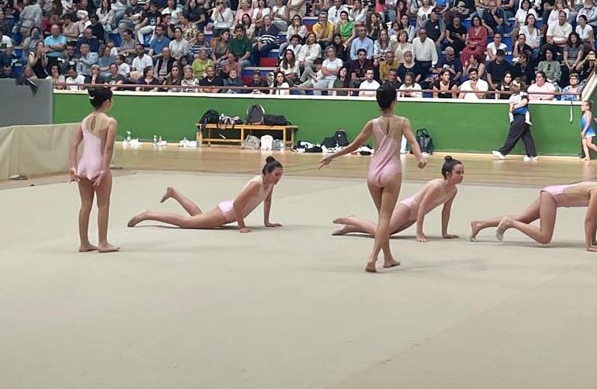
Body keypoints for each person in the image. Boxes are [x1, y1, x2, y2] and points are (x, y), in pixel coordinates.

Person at [318, 84, 428, 272]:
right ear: (395, 101)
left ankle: (388, 257)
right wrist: (419, 157)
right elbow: (412, 141)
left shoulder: (373, 123)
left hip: (373, 173)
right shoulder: (402, 122)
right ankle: (372, 258)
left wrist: (332, 156)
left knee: (382, 218)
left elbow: (355, 144)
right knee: (385, 218)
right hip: (391, 172)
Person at [469, 166, 597, 251]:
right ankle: (510, 223)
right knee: (544, 237)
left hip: (551, 192)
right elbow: (589, 218)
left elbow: (595, 217)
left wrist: (593, 240)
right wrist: (588, 245)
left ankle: (479, 224)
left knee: (524, 219)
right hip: (551, 197)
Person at [127, 158, 284, 233]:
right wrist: (241, 226)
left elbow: (267, 200)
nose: (279, 178)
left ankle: (174, 193)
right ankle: (147, 214)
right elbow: (237, 205)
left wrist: (267, 222)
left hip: (228, 212)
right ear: (267, 172)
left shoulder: (269, 184)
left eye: (280, 175)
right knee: (186, 223)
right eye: (276, 175)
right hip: (227, 212)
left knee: (198, 218)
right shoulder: (256, 183)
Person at [331, 156, 464, 242]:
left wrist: (444, 233)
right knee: (382, 233)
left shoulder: (453, 190)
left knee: (385, 233)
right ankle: (349, 219)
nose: (462, 175)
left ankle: (350, 228)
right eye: (458, 173)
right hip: (407, 208)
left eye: (462, 172)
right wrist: (419, 232)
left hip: (414, 215)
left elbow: (446, 211)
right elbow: (422, 207)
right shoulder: (436, 186)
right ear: (448, 174)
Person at [68, 87, 119, 253]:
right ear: (107, 102)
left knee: (85, 204)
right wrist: (104, 169)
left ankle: (84, 242)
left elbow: (74, 144)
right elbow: (108, 147)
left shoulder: (84, 121)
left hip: (83, 165)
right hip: (98, 164)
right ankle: (102, 242)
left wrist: (73, 166)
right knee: (103, 205)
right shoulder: (110, 122)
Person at [492, 80, 538, 162]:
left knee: (513, 135)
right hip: (517, 116)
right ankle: (532, 154)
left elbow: (525, 102)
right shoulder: (513, 96)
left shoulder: (523, 94)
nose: (513, 86)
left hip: (521, 116)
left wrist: (514, 107)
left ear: (520, 85)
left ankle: (502, 152)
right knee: (526, 136)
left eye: (515, 84)